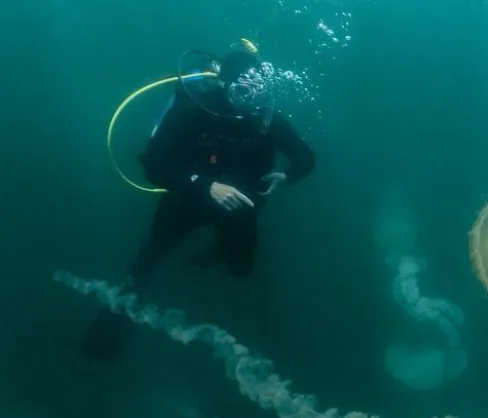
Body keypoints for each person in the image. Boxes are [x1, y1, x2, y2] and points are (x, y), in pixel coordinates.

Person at [79, 49, 316, 363]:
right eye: (243, 91)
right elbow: (154, 164)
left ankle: (217, 253)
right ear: (224, 84)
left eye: (257, 94)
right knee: (146, 262)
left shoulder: (267, 120)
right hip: (187, 201)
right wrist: (204, 185)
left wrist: (285, 176)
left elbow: (306, 158)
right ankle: (107, 333)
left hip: (239, 210)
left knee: (242, 270)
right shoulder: (194, 109)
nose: (249, 102)